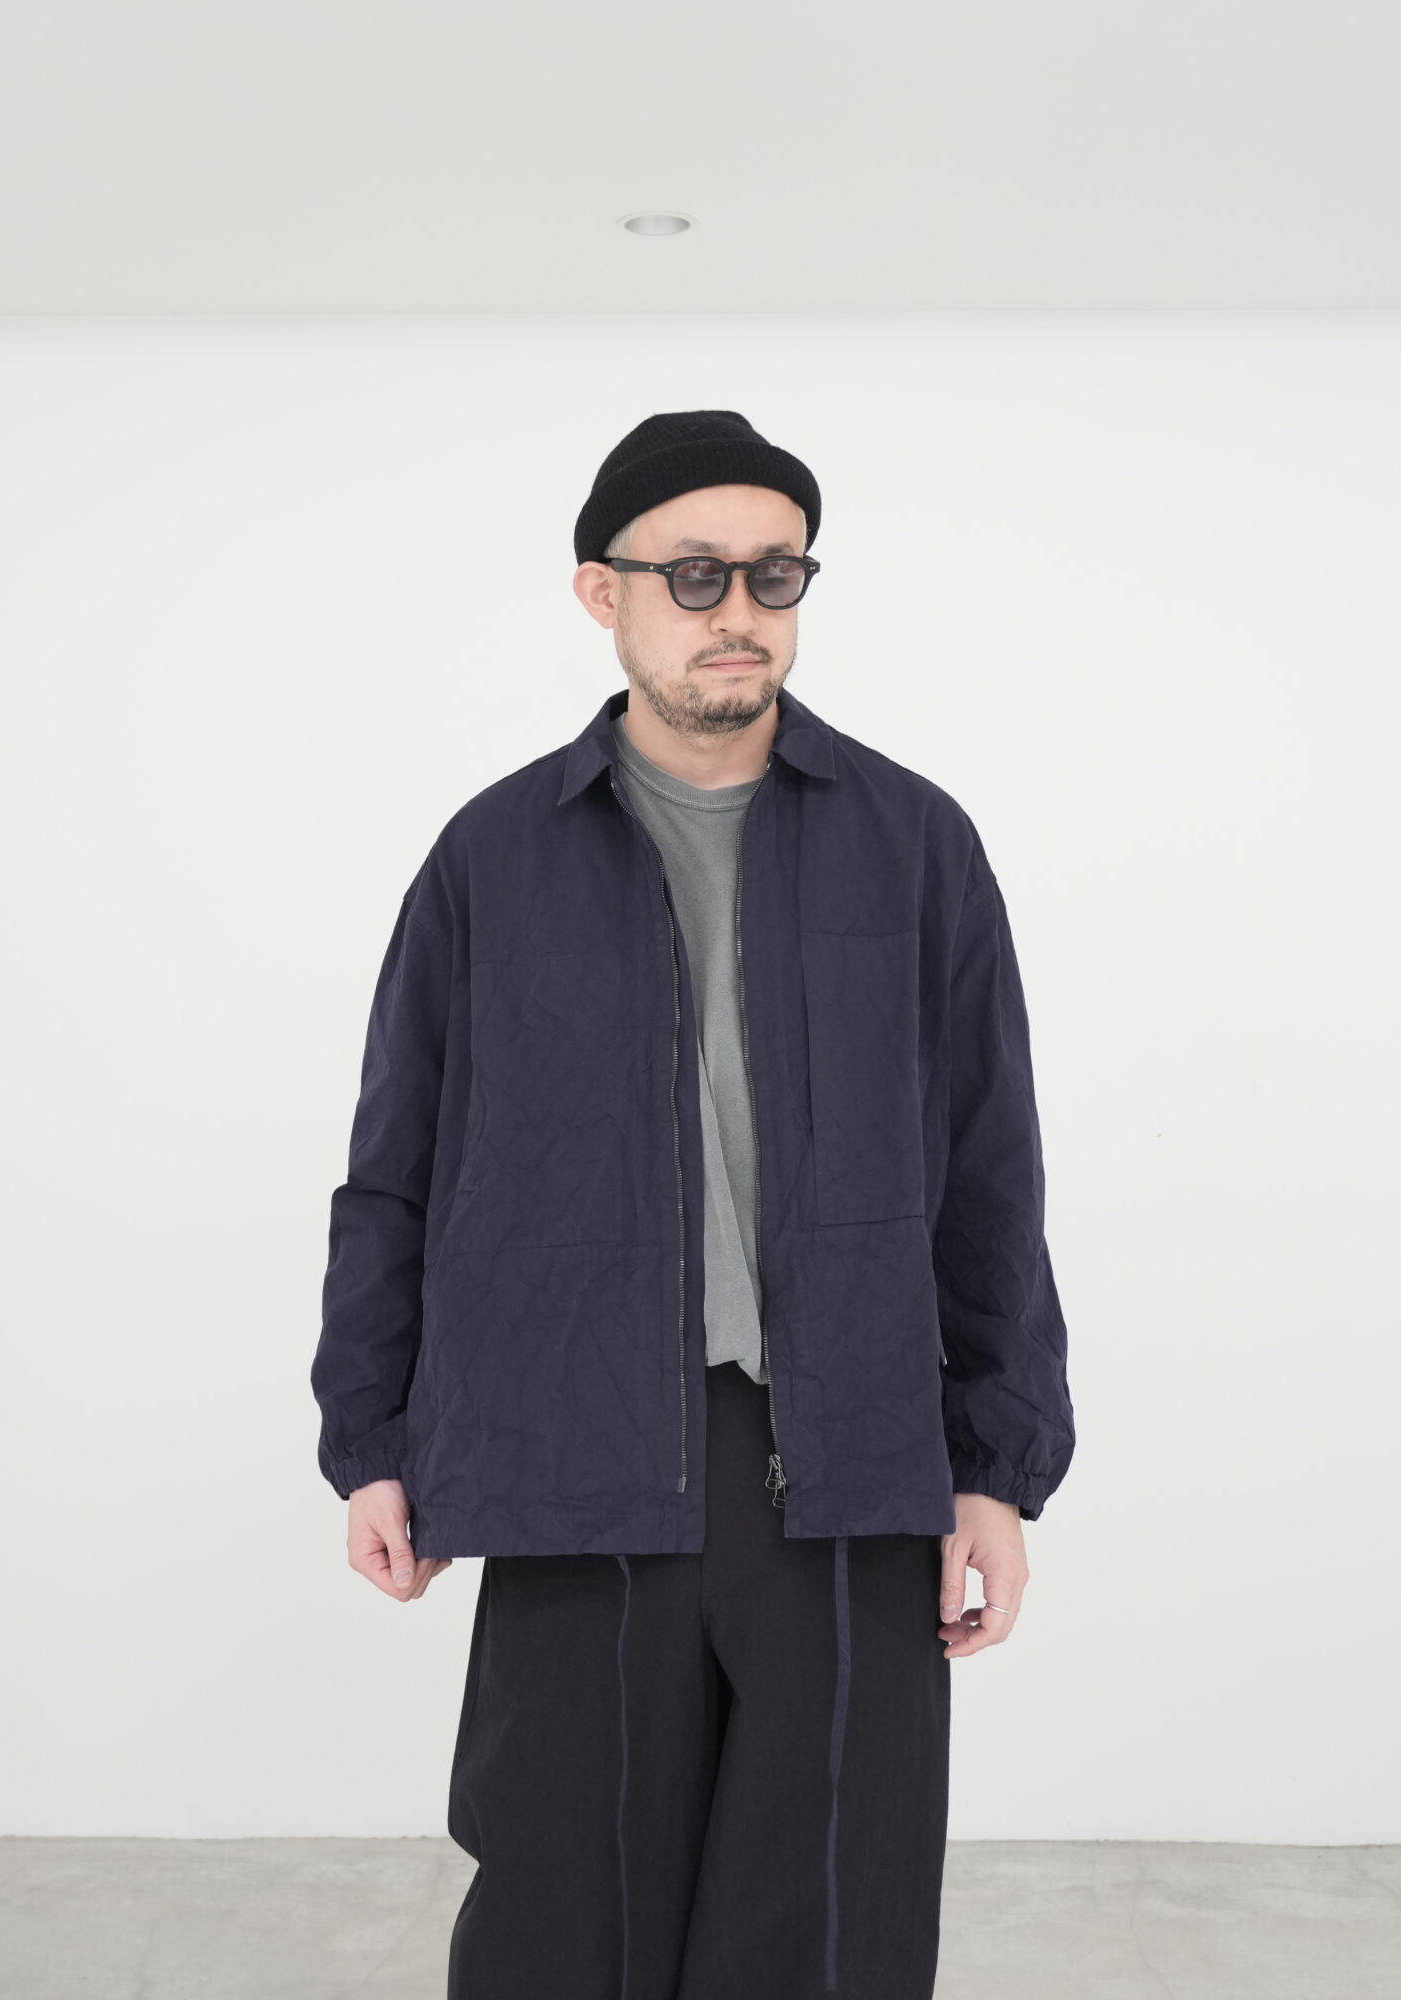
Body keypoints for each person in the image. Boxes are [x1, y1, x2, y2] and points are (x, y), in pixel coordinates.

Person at [309, 409, 1075, 1999]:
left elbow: (989, 1170)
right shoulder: (494, 857)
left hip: (851, 1450)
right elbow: (396, 1169)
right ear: (604, 593)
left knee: (829, 1922)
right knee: (562, 1917)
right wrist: (371, 1438)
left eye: (774, 573)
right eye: (696, 573)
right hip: (567, 1442)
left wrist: (994, 1466)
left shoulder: (913, 843)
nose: (739, 610)